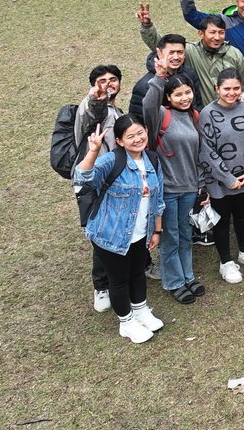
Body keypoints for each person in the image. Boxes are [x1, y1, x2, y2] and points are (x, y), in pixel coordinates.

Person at [74, 115, 165, 344]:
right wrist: (93, 151)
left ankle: (141, 309)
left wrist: (157, 231)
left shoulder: (152, 160)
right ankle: (126, 322)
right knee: (119, 279)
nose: (137, 139)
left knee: (137, 273)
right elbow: (82, 178)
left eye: (140, 133)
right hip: (109, 234)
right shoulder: (111, 161)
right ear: (121, 141)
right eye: (130, 136)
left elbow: (158, 198)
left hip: (140, 233)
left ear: (146, 131)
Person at [141, 70, 206, 304]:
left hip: (189, 188)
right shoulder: (160, 115)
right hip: (167, 190)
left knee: (186, 235)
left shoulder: (194, 116)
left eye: (188, 92)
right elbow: (147, 103)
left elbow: (199, 155)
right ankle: (174, 281)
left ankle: (188, 276)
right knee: (170, 237)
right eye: (178, 94)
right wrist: (159, 78)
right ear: (168, 97)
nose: (184, 97)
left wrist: (201, 186)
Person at [198, 68, 244, 285]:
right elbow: (207, 151)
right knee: (222, 221)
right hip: (219, 181)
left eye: (236, 88)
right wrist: (228, 178)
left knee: (242, 216)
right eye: (226, 88)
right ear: (217, 89)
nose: (232, 92)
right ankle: (225, 261)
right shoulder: (207, 114)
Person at [74, 64, 123, 313]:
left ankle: (136, 268)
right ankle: (101, 286)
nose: (108, 84)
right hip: (95, 182)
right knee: (101, 234)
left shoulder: (116, 109)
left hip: (117, 179)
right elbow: (94, 114)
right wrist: (96, 100)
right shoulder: (90, 105)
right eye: (102, 80)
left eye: (113, 79)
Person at [138, 4, 244, 108]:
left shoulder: (235, 54)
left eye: (221, 32)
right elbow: (163, 47)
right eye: (212, 32)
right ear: (201, 34)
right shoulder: (190, 51)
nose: (217, 37)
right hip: (204, 115)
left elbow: (243, 84)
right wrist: (147, 27)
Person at [129, 34, 192, 127]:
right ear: (159, 53)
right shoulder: (144, 86)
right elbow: (139, 122)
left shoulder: (189, 73)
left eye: (180, 52)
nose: (176, 57)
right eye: (171, 52)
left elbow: (196, 105)